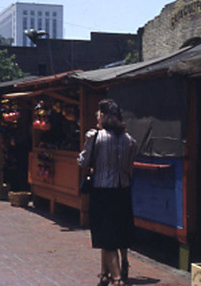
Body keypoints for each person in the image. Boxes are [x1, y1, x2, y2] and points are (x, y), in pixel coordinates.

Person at [78, 99, 137, 286]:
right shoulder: (130, 140)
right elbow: (129, 168)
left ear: (103, 116)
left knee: (105, 235)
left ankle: (117, 279)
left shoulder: (96, 136)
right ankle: (104, 274)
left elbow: (83, 162)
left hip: (102, 190)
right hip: (123, 190)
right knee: (117, 231)